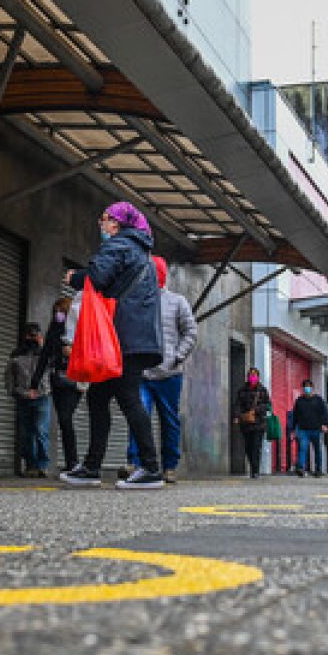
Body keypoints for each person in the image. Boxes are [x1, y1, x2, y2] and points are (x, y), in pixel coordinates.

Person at [60, 202, 164, 490]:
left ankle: (151, 468)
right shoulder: (141, 252)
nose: (101, 224)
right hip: (133, 336)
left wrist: (75, 277)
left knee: (129, 398)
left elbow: (98, 277)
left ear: (117, 224)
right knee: (98, 398)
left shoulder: (119, 245)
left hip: (124, 338)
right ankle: (91, 467)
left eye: (104, 219)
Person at [126, 256, 197, 484]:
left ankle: (169, 466)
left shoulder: (177, 302)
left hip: (169, 374)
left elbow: (190, 332)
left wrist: (178, 357)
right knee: (139, 416)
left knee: (169, 421)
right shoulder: (136, 300)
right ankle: (136, 462)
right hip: (142, 373)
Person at [31, 296, 86, 477]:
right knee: (63, 421)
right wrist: (35, 382)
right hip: (57, 380)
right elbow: (44, 357)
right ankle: (71, 462)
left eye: (62, 312)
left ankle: (73, 462)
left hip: (74, 381)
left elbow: (91, 352)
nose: (58, 315)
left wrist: (73, 352)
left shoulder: (80, 330)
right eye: (56, 312)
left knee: (65, 418)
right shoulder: (54, 333)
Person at [5, 321, 52, 478]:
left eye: (36, 334)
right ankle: (31, 465)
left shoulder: (45, 354)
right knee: (26, 433)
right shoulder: (16, 355)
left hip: (42, 396)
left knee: (40, 430)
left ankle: (42, 465)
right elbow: (9, 377)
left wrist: (43, 347)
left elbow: (54, 366)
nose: (33, 337)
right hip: (23, 397)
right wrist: (15, 392)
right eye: (31, 334)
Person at [234, 367, 272, 478]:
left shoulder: (262, 390)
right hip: (246, 423)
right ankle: (253, 466)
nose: (252, 377)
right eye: (251, 375)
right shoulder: (242, 390)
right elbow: (238, 404)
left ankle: (255, 471)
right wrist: (237, 416)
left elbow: (267, 405)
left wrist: (257, 410)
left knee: (256, 447)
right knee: (248, 447)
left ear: (258, 377)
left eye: (254, 375)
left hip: (259, 423)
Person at [288, 380, 328, 476]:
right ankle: (301, 468)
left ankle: (318, 469)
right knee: (302, 448)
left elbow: (324, 413)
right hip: (303, 429)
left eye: (309, 387)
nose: (307, 389)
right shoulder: (299, 401)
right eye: (305, 387)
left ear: (312, 388)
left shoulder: (318, 400)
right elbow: (295, 416)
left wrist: (325, 424)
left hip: (316, 429)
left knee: (317, 450)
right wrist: (293, 429)